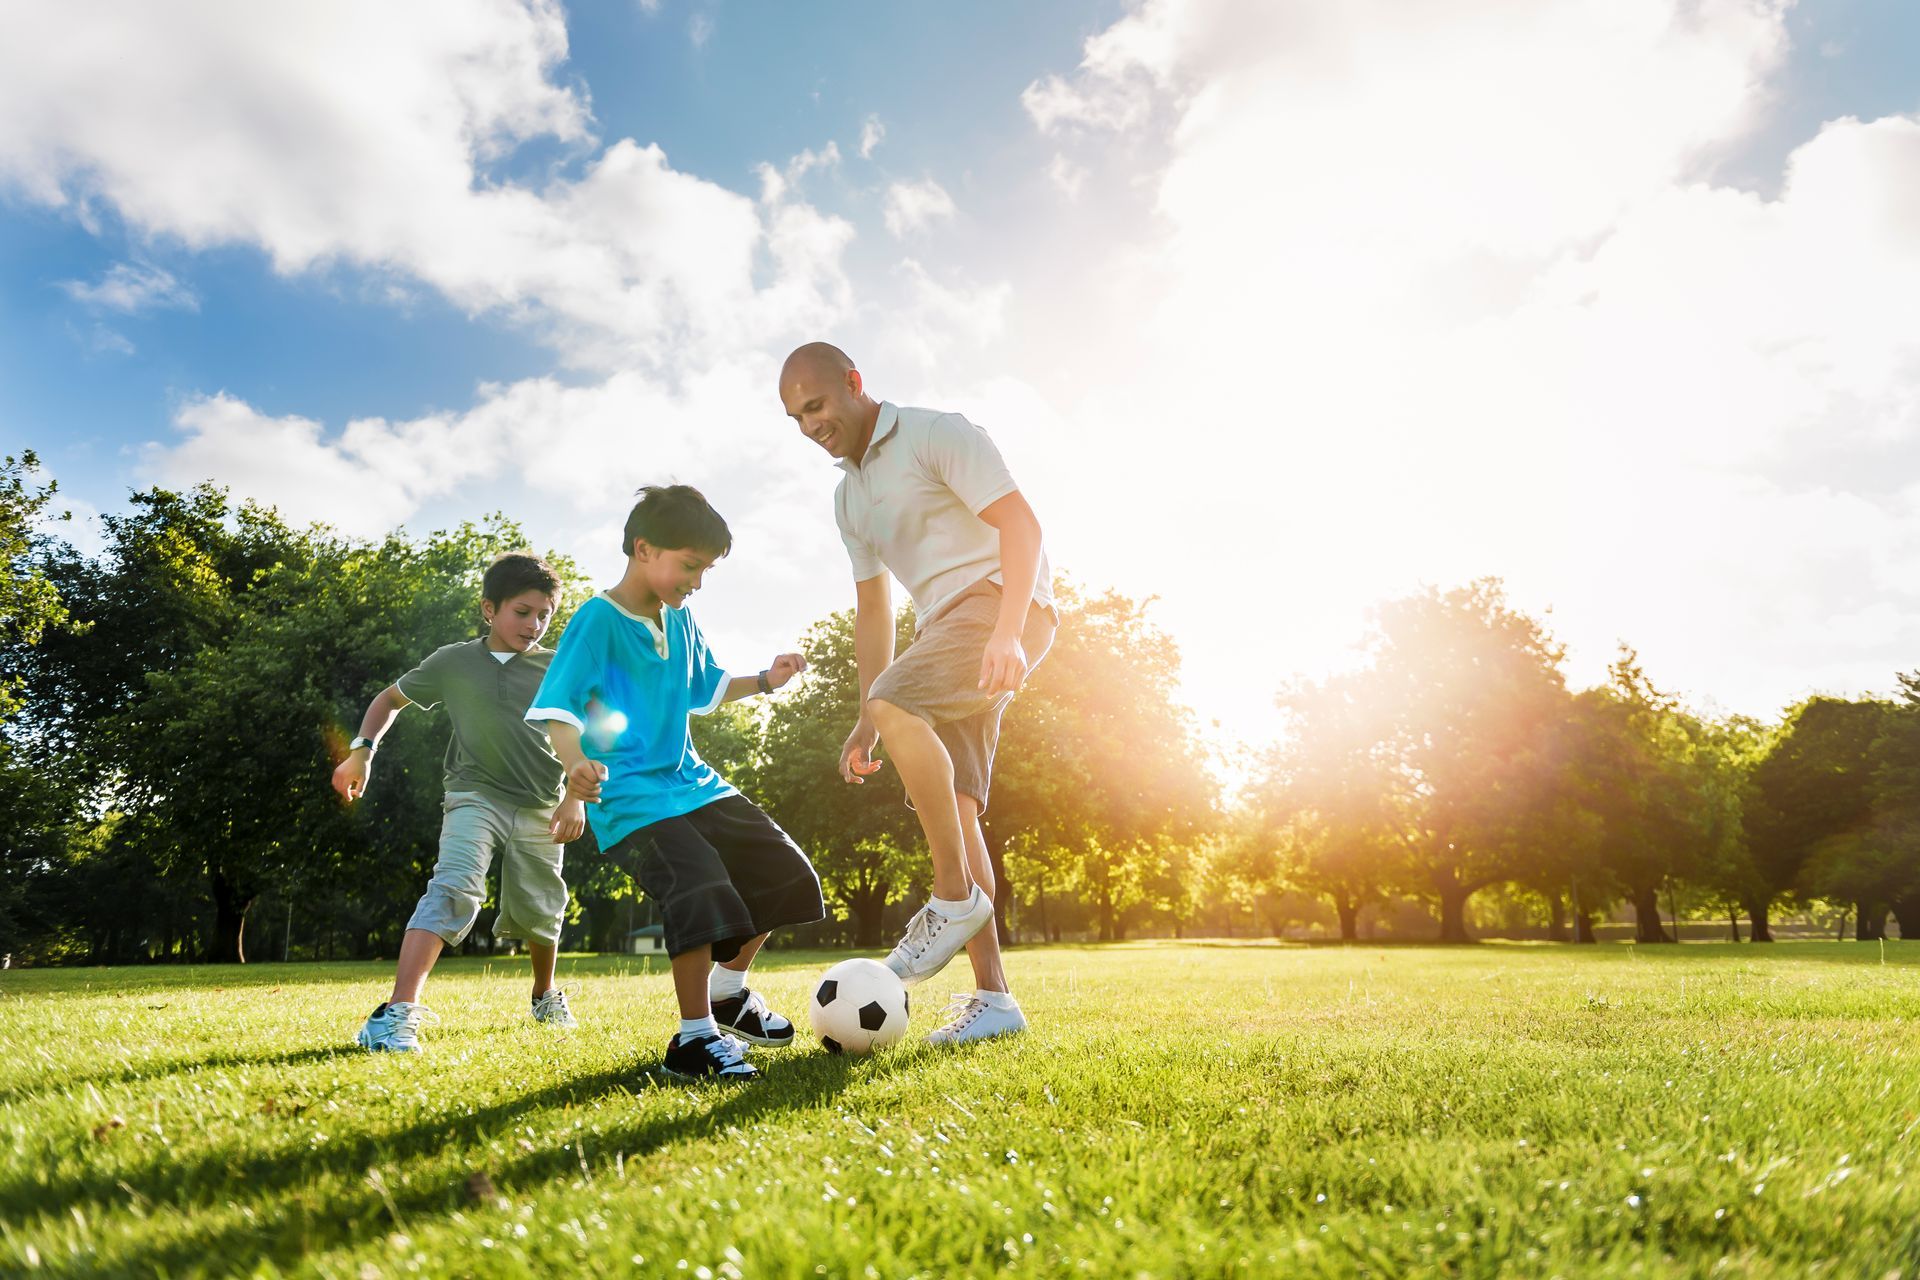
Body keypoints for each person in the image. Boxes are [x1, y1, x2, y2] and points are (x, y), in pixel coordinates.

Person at [777, 342, 1056, 1046]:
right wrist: (866, 718)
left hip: (998, 606)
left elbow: (1022, 525)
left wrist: (1007, 631)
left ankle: (953, 897)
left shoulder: (936, 434)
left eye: (816, 406)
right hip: (943, 629)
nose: (811, 426)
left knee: (898, 704)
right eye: (796, 418)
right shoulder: (849, 499)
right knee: (959, 804)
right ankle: (994, 1002)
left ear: (853, 384)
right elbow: (876, 611)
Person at [526, 484, 825, 1082]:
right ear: (643, 549)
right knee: (699, 884)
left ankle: (727, 991)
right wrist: (573, 764)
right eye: (690, 565)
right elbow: (558, 707)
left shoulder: (682, 617)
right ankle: (694, 1039)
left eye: (705, 570)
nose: (696, 580)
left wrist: (766, 679)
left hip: (693, 783)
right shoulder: (597, 621)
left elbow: (704, 687)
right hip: (631, 796)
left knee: (785, 871)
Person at [333, 552, 586, 1053]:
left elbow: (585, 735)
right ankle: (396, 1014)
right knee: (454, 887)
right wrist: (362, 752)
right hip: (474, 795)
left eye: (544, 615)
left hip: (542, 803)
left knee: (540, 907)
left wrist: (575, 798)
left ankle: (544, 994)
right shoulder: (453, 661)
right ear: (489, 609)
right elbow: (388, 700)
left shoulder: (558, 668)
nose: (533, 624)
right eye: (522, 611)